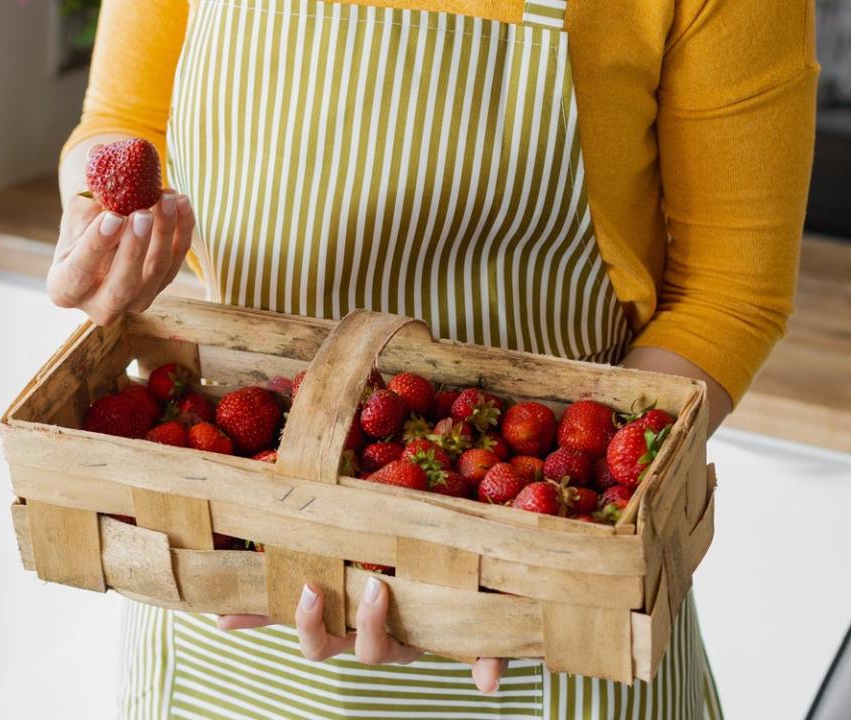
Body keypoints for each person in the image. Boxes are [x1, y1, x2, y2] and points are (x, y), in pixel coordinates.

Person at [49, 0, 817, 716]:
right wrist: (104, 228)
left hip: (552, 604)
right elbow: (123, 125)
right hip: (227, 569)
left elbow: (729, 292)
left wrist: (529, 548)